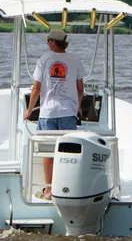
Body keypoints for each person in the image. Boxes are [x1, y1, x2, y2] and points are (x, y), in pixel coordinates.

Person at [23, 28, 85, 199]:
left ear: (52, 42)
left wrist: (28, 111)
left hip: (48, 111)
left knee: (48, 151)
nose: (47, 43)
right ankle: (67, 188)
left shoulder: (43, 60)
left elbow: (36, 89)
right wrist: (78, 106)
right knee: (68, 152)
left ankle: (49, 189)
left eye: (48, 40)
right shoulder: (75, 61)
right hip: (68, 112)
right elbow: (80, 89)